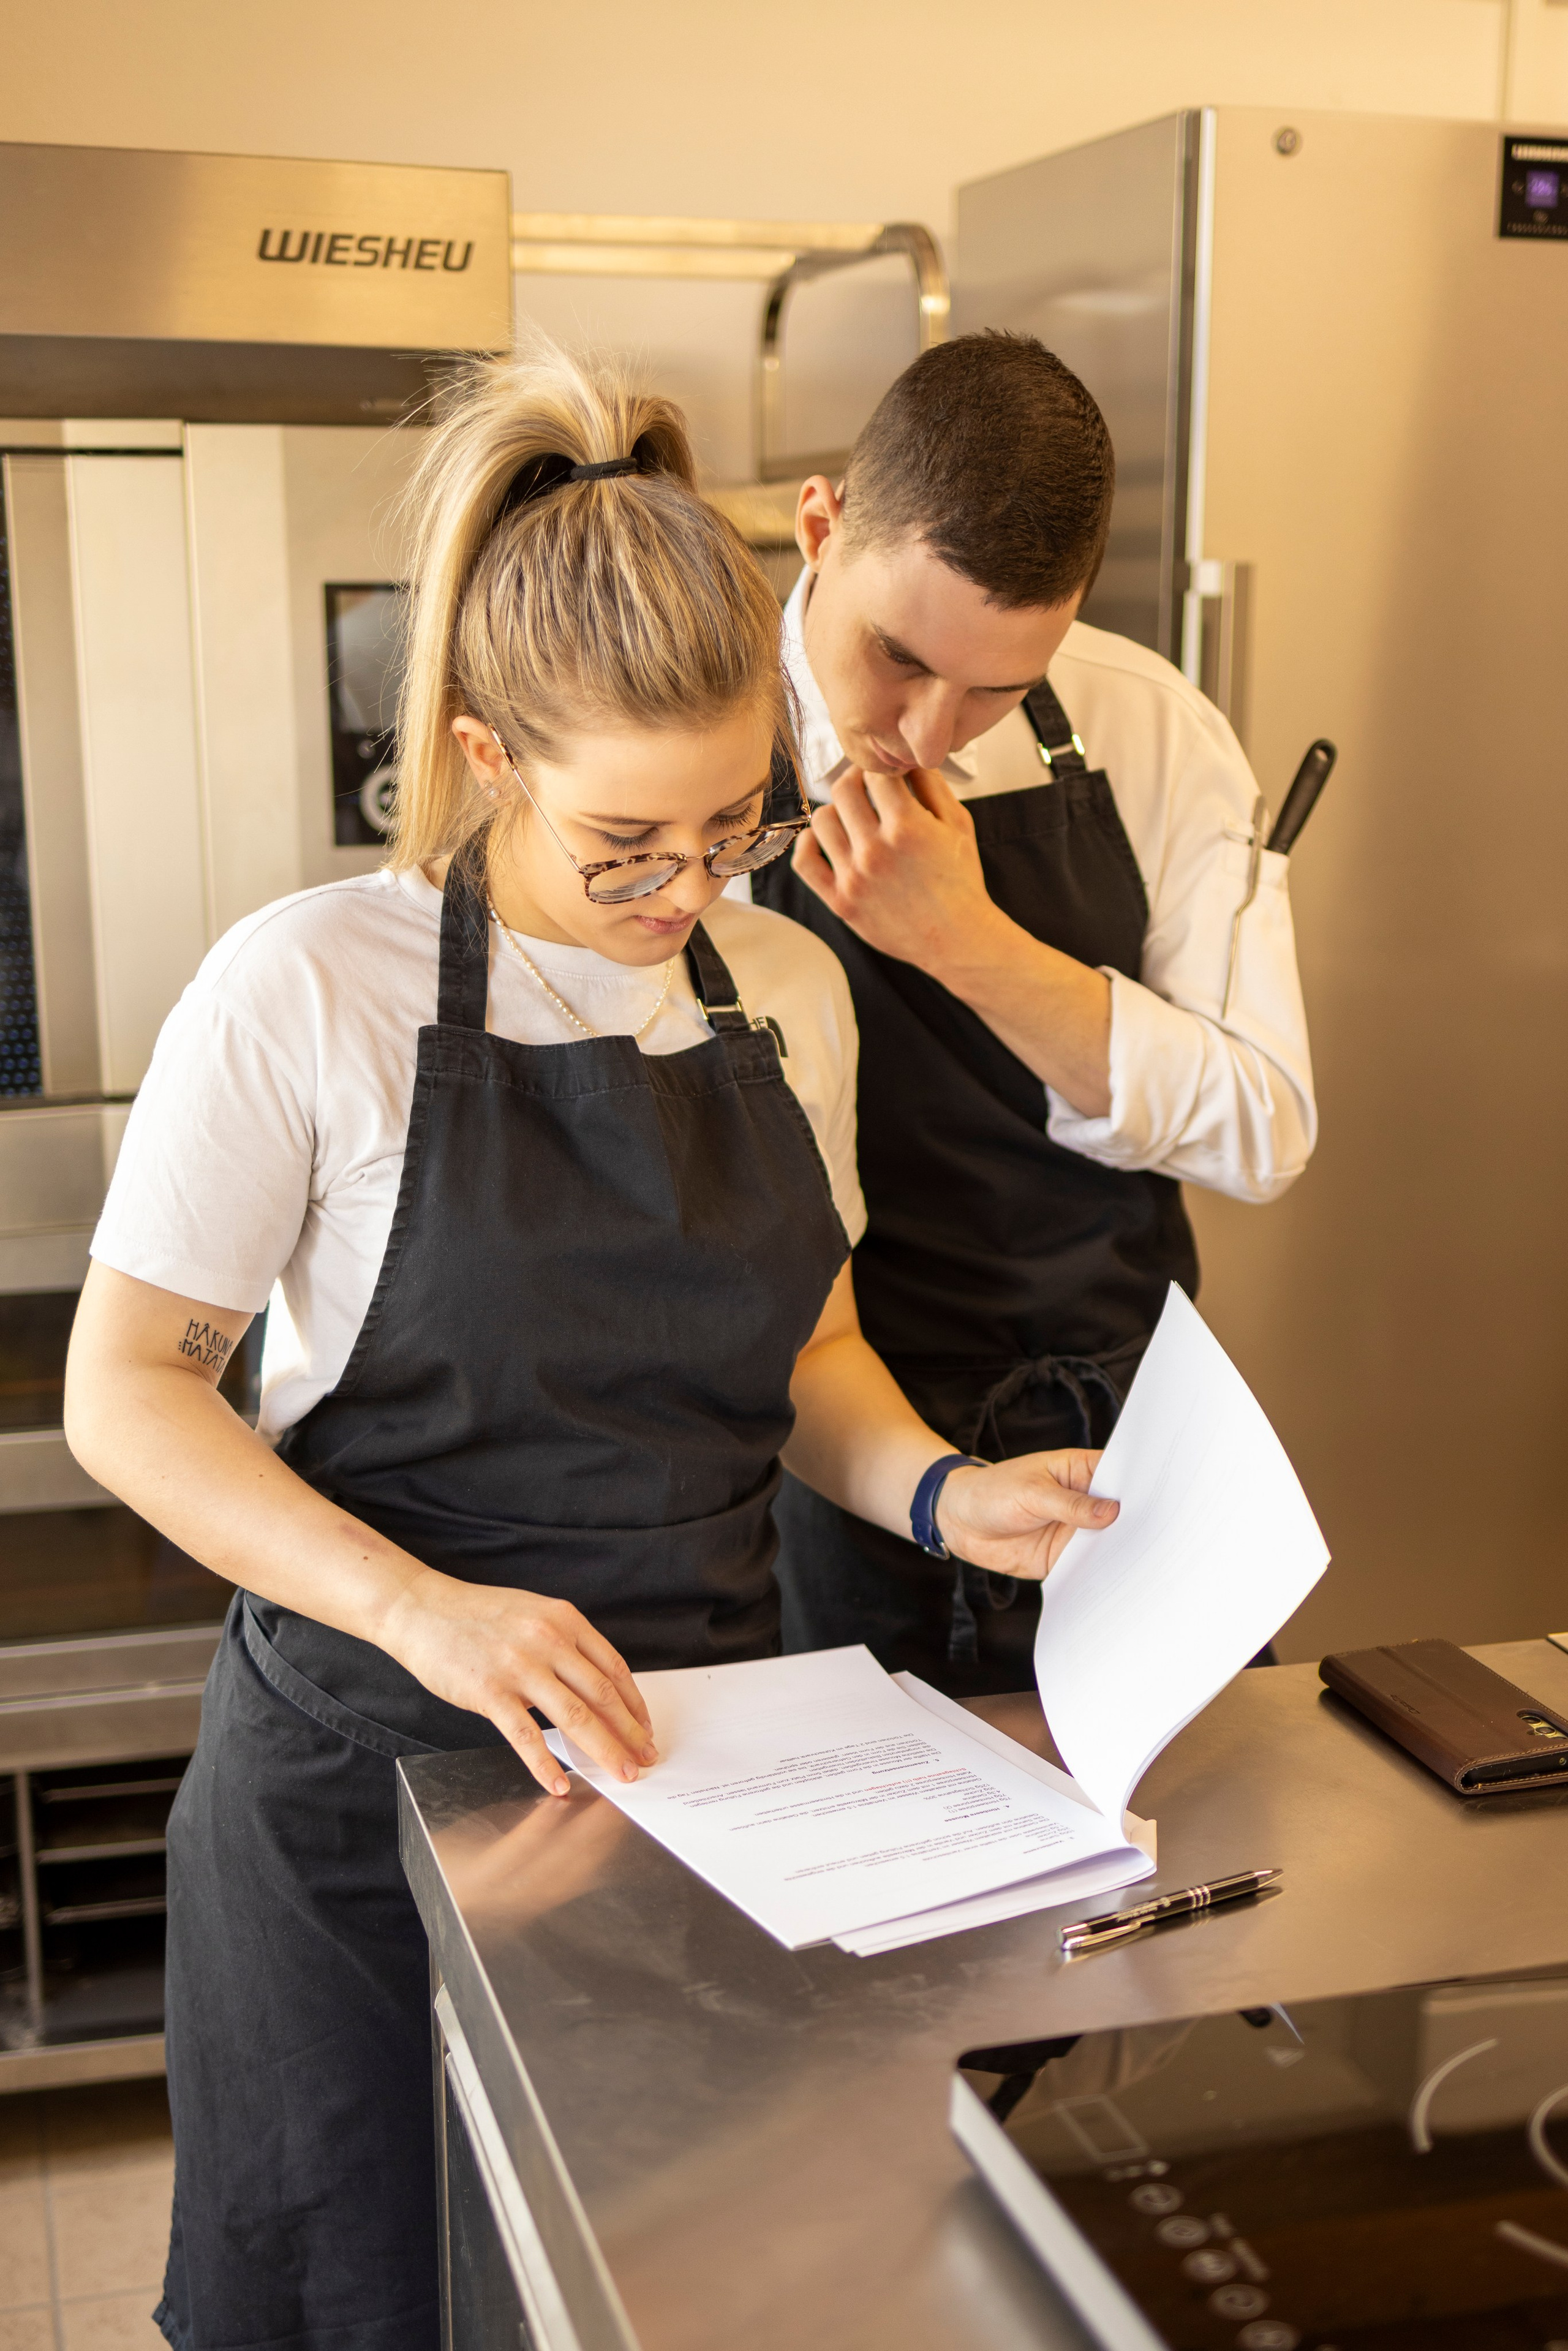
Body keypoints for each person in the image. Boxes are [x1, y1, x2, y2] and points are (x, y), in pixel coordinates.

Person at [62, 349, 1119, 2351]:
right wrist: (427, 1610)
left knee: (668, 2290)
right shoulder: (311, 989)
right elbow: (126, 1391)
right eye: (626, 838)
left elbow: (806, 1344)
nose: (686, 885)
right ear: (483, 750)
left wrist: (941, 1487)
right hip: (366, 1801)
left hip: (697, 1782)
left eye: (730, 824)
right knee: (375, 2292)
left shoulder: (788, 988)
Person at [753, 331, 1315, 1694]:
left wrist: (965, 941)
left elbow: (1262, 1128)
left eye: (997, 684)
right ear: (818, 525)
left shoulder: (1150, 725)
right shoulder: (692, 745)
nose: (929, 729)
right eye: (896, 657)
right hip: (829, 1448)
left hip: (1124, 1445)